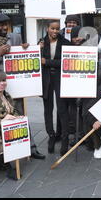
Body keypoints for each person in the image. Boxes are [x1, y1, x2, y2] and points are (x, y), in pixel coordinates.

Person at [0, 13, 45, 159]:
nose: (4, 28)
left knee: (21, 115)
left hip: (16, 85)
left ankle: (30, 148)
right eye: (0, 25)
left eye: (6, 24)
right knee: (2, 119)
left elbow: (20, 55)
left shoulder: (15, 37)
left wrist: (25, 48)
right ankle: (4, 151)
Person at [39, 20, 71, 155]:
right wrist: (33, 48)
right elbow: (34, 58)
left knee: (62, 109)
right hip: (46, 79)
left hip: (60, 79)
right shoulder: (41, 42)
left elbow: (65, 62)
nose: (55, 31)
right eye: (52, 28)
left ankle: (64, 138)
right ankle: (51, 136)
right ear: (47, 28)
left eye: (57, 29)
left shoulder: (65, 43)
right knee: (48, 109)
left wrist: (47, 62)